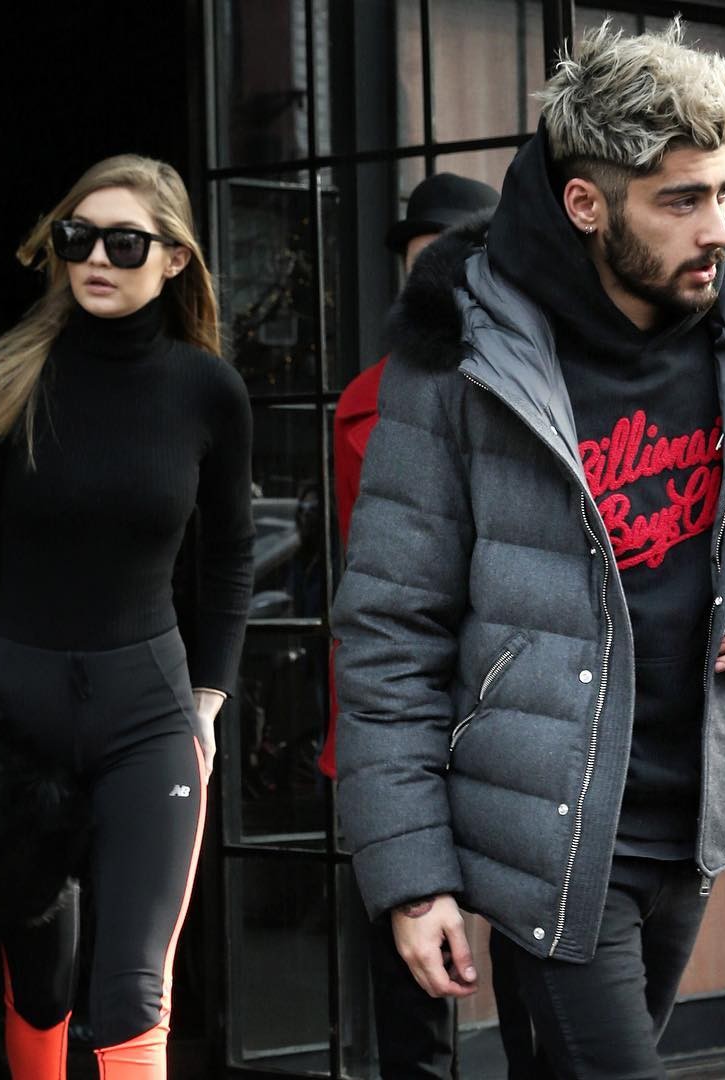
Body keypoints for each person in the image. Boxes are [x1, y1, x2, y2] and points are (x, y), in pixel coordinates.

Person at [332, 19, 725, 1079]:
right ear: (588, 204)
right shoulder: (460, 355)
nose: (717, 230)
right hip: (553, 832)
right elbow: (389, 634)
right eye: (681, 201)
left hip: (696, 819)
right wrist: (412, 876)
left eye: (723, 193)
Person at [0, 154, 254, 1079]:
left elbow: (229, 557)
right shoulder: (3, 379)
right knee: (39, 982)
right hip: (13, 713)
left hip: (148, 715)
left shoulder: (207, 391)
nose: (96, 258)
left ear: (175, 259)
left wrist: (208, 700)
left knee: (135, 988)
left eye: (124, 242)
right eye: (77, 238)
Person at [323, 173, 503, 1080]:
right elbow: (385, 596)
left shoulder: (548, 389)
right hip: (406, 716)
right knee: (412, 994)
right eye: (421, 261)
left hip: (519, 712)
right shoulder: (371, 401)